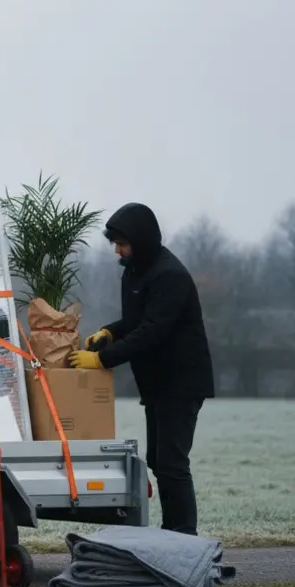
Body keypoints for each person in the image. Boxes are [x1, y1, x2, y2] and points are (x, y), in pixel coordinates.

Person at [68, 202, 214, 536]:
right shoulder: (134, 271)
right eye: (114, 243)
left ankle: (185, 537)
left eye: (122, 243)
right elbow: (136, 321)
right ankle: (170, 532)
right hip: (158, 385)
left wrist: (102, 360)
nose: (117, 250)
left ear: (141, 240)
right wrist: (110, 332)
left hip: (182, 383)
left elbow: (153, 332)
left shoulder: (169, 276)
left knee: (173, 464)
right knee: (160, 462)